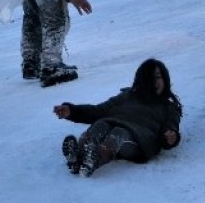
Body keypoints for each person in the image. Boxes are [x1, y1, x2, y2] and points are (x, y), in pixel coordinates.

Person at [53, 58, 182, 177]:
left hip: (141, 141)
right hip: (116, 129)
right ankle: (77, 156)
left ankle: (94, 160)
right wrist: (72, 111)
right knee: (100, 124)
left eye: (158, 77)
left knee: (119, 133)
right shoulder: (126, 96)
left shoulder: (168, 106)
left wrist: (170, 136)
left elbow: (171, 125)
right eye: (149, 79)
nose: (154, 82)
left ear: (165, 79)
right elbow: (98, 111)